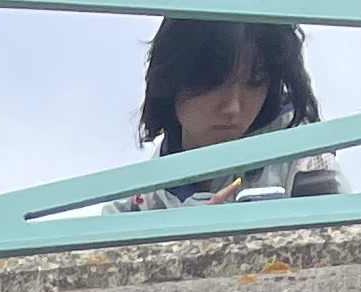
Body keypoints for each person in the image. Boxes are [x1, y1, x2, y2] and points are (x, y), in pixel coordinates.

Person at [131, 20, 342, 200]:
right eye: (212, 83)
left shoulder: (302, 157)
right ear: (172, 78)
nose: (233, 107)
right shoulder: (139, 201)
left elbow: (339, 243)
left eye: (255, 82)